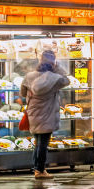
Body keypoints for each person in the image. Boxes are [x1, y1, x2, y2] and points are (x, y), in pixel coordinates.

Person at [20, 48, 70, 178]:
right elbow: (67, 80)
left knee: (38, 142)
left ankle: (37, 168)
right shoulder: (55, 79)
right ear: (53, 62)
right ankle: (40, 170)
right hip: (47, 113)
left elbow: (22, 93)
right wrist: (57, 67)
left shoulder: (29, 76)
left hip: (34, 112)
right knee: (43, 143)